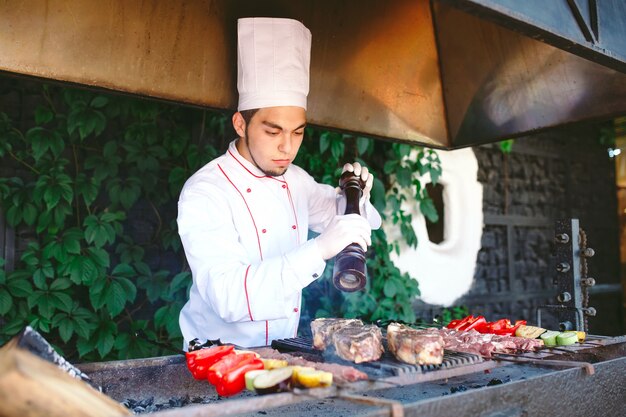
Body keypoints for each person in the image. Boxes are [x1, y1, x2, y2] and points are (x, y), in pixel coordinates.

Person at [177, 17, 381, 348]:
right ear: (240, 123)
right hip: (217, 361)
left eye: (298, 132)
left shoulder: (297, 181)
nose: (287, 147)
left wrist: (356, 196)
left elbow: (344, 220)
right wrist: (318, 249)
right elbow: (229, 297)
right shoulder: (205, 192)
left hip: (283, 352)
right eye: (273, 132)